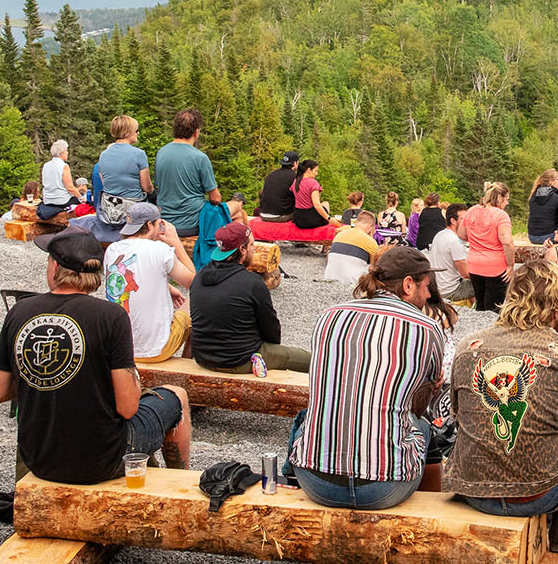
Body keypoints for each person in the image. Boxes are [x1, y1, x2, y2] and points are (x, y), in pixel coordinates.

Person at [0, 230, 191, 482]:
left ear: (55, 266)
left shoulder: (20, 311)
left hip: (39, 460)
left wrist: (42, 380)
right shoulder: (110, 316)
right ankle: (180, 482)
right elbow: (127, 408)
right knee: (176, 395)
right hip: (103, 461)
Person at [447, 259, 558, 550]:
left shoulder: (469, 347)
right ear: (556, 308)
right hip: (539, 494)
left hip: (472, 488)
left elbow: (459, 416)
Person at [290, 246, 446, 510]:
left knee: (308, 417)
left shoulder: (329, 316)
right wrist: (432, 387)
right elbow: (417, 408)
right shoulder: (426, 327)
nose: (429, 294)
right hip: (383, 488)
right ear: (409, 285)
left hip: (314, 480)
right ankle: (429, 515)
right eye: (427, 286)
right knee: (424, 426)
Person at [190, 221, 308, 374]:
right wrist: (271, 348)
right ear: (242, 249)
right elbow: (271, 328)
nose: (255, 248)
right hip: (239, 360)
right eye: (252, 244)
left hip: (204, 359)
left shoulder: (199, 277)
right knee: (313, 360)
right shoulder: (252, 282)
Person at [99, 201, 197, 364]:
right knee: (196, 302)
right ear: (150, 224)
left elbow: (127, 278)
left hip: (119, 348)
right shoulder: (160, 250)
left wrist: (167, 287)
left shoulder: (112, 250)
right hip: (155, 351)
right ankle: (186, 365)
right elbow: (194, 283)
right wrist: (176, 243)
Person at [154, 109, 222, 238]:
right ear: (196, 132)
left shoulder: (161, 153)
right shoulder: (200, 157)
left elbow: (158, 186)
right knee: (237, 209)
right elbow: (215, 198)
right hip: (191, 224)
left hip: (165, 222)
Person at [462, 182, 515, 312]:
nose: (507, 203)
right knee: (494, 309)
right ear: (499, 198)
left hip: (474, 265)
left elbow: (461, 234)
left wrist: (478, 239)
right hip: (495, 267)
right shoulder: (501, 215)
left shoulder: (471, 211)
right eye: (506, 199)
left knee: (480, 305)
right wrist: (510, 265)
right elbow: (507, 242)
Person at [95, 115, 153, 227]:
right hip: (133, 208)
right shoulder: (139, 154)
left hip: (109, 209)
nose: (138, 133)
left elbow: (105, 183)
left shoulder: (103, 155)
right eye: (136, 130)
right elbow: (146, 187)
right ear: (128, 132)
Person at [424, 203, 472, 302]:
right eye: (463, 219)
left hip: (438, 287)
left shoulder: (439, 234)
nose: (467, 222)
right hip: (451, 290)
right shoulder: (454, 241)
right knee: (481, 286)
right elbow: (465, 273)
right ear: (453, 221)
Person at [326, 210, 383, 285]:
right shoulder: (370, 241)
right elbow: (374, 265)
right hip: (353, 280)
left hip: (329, 276)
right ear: (370, 227)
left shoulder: (340, 234)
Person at [37, 139, 84, 221]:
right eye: (66, 151)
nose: (67, 153)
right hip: (61, 201)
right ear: (61, 153)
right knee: (85, 205)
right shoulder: (64, 166)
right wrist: (82, 198)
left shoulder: (46, 165)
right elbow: (70, 188)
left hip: (47, 200)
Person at [255, 151, 301, 221]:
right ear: (295, 163)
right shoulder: (294, 177)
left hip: (263, 214)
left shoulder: (271, 174)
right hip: (279, 216)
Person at [525, 171, 558, 244]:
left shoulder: (533, 196)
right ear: (551, 182)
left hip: (532, 236)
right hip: (550, 236)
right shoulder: (557, 198)